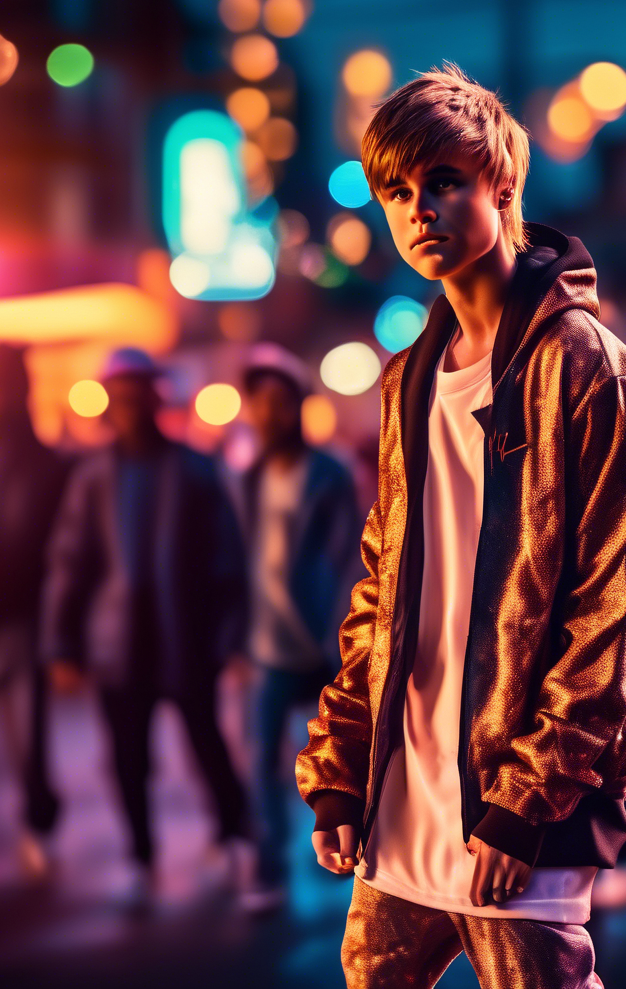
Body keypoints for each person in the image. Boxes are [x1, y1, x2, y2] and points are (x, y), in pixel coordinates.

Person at [295, 64, 626, 989]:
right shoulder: (409, 379)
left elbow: (619, 605)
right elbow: (382, 588)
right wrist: (343, 765)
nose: (419, 208)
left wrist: (527, 799)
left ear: (501, 187)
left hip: (515, 801)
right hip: (404, 791)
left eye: (443, 182)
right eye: (398, 191)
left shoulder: (593, 367)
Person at [42, 347, 250, 898]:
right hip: (117, 645)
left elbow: (227, 558)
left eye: (138, 391)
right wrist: (60, 643)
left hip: (188, 640)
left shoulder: (195, 468)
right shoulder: (92, 477)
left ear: (155, 397)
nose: (129, 403)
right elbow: (70, 561)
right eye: (120, 393)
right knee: (127, 756)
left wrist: (230, 639)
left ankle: (231, 834)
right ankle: (141, 853)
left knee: (206, 741)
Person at [237, 343, 363, 911]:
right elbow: (234, 560)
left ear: (300, 406)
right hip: (266, 647)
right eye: (260, 402)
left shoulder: (330, 472)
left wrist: (344, 637)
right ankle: (266, 867)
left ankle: (347, 849)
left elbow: (349, 560)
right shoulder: (247, 476)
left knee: (338, 755)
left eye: (281, 401)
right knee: (261, 759)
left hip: (323, 643)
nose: (270, 413)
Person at [0, 344, 69, 878]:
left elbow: (51, 545)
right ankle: (38, 814)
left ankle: (38, 817)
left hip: (22, 610)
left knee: (24, 722)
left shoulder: (39, 462)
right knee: (16, 720)